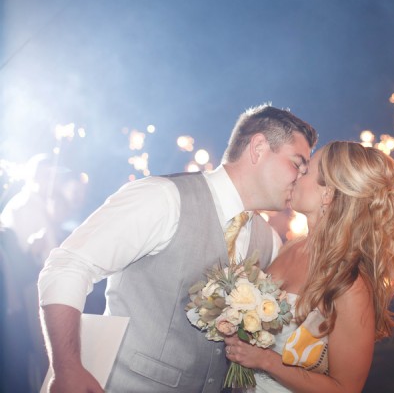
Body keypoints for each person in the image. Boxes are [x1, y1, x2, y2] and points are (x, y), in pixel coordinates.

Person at [37, 104, 317, 393]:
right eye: (297, 164)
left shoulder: (268, 241)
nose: (300, 178)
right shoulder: (163, 197)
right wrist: (67, 366)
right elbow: (69, 265)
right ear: (258, 148)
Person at [223, 141, 394, 393]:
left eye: (306, 171)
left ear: (328, 193)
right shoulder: (292, 247)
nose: (297, 174)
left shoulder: (348, 284)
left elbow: (346, 389)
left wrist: (266, 361)